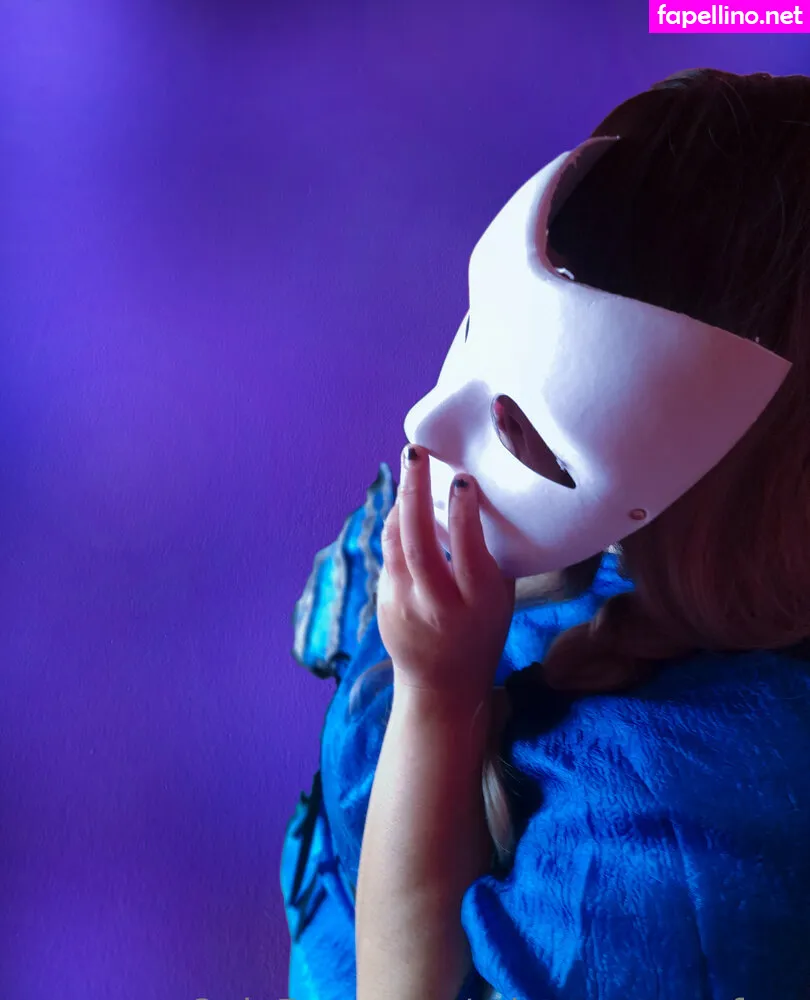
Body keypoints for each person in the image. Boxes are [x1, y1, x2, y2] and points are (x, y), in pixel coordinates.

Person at [281, 68, 810, 1000]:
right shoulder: (583, 541)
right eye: (479, 327)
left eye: (525, 421)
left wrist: (434, 699)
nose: (422, 423)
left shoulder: (661, 860)